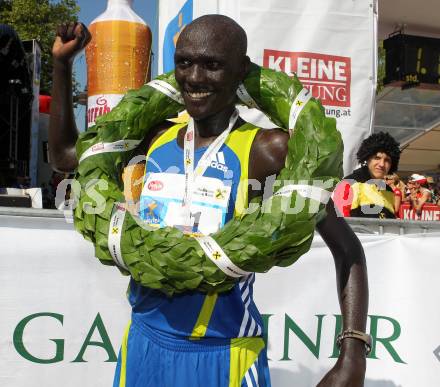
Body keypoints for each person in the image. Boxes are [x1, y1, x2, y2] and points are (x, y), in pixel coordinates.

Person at [49, 17, 368, 387]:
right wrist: (61, 65)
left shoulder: (267, 151)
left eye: (212, 65)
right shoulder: (153, 137)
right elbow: (65, 155)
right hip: (144, 347)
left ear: (241, 72)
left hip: (226, 354)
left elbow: (347, 248)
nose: (195, 77)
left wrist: (352, 353)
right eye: (184, 62)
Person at [334, 132, 401, 219]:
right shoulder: (348, 184)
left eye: (387, 160)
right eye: (377, 158)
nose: (382, 164)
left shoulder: (389, 191)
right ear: (367, 158)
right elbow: (338, 223)